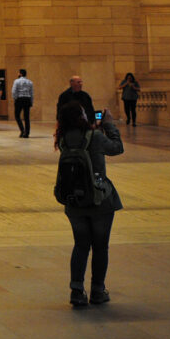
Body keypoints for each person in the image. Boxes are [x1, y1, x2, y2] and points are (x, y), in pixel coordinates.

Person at [54, 102, 123, 306]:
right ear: (81, 117)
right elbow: (117, 148)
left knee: (81, 245)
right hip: (99, 199)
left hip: (74, 201)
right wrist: (109, 125)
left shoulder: (64, 139)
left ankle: (76, 290)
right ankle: (97, 290)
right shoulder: (96, 137)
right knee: (100, 247)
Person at [11, 69, 34, 138]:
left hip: (19, 99)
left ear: (20, 74)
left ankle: (22, 130)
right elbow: (32, 93)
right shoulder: (30, 82)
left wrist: (15, 98)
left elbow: (14, 91)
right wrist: (31, 101)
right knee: (26, 117)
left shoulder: (16, 81)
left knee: (17, 115)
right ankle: (27, 133)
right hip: (27, 99)